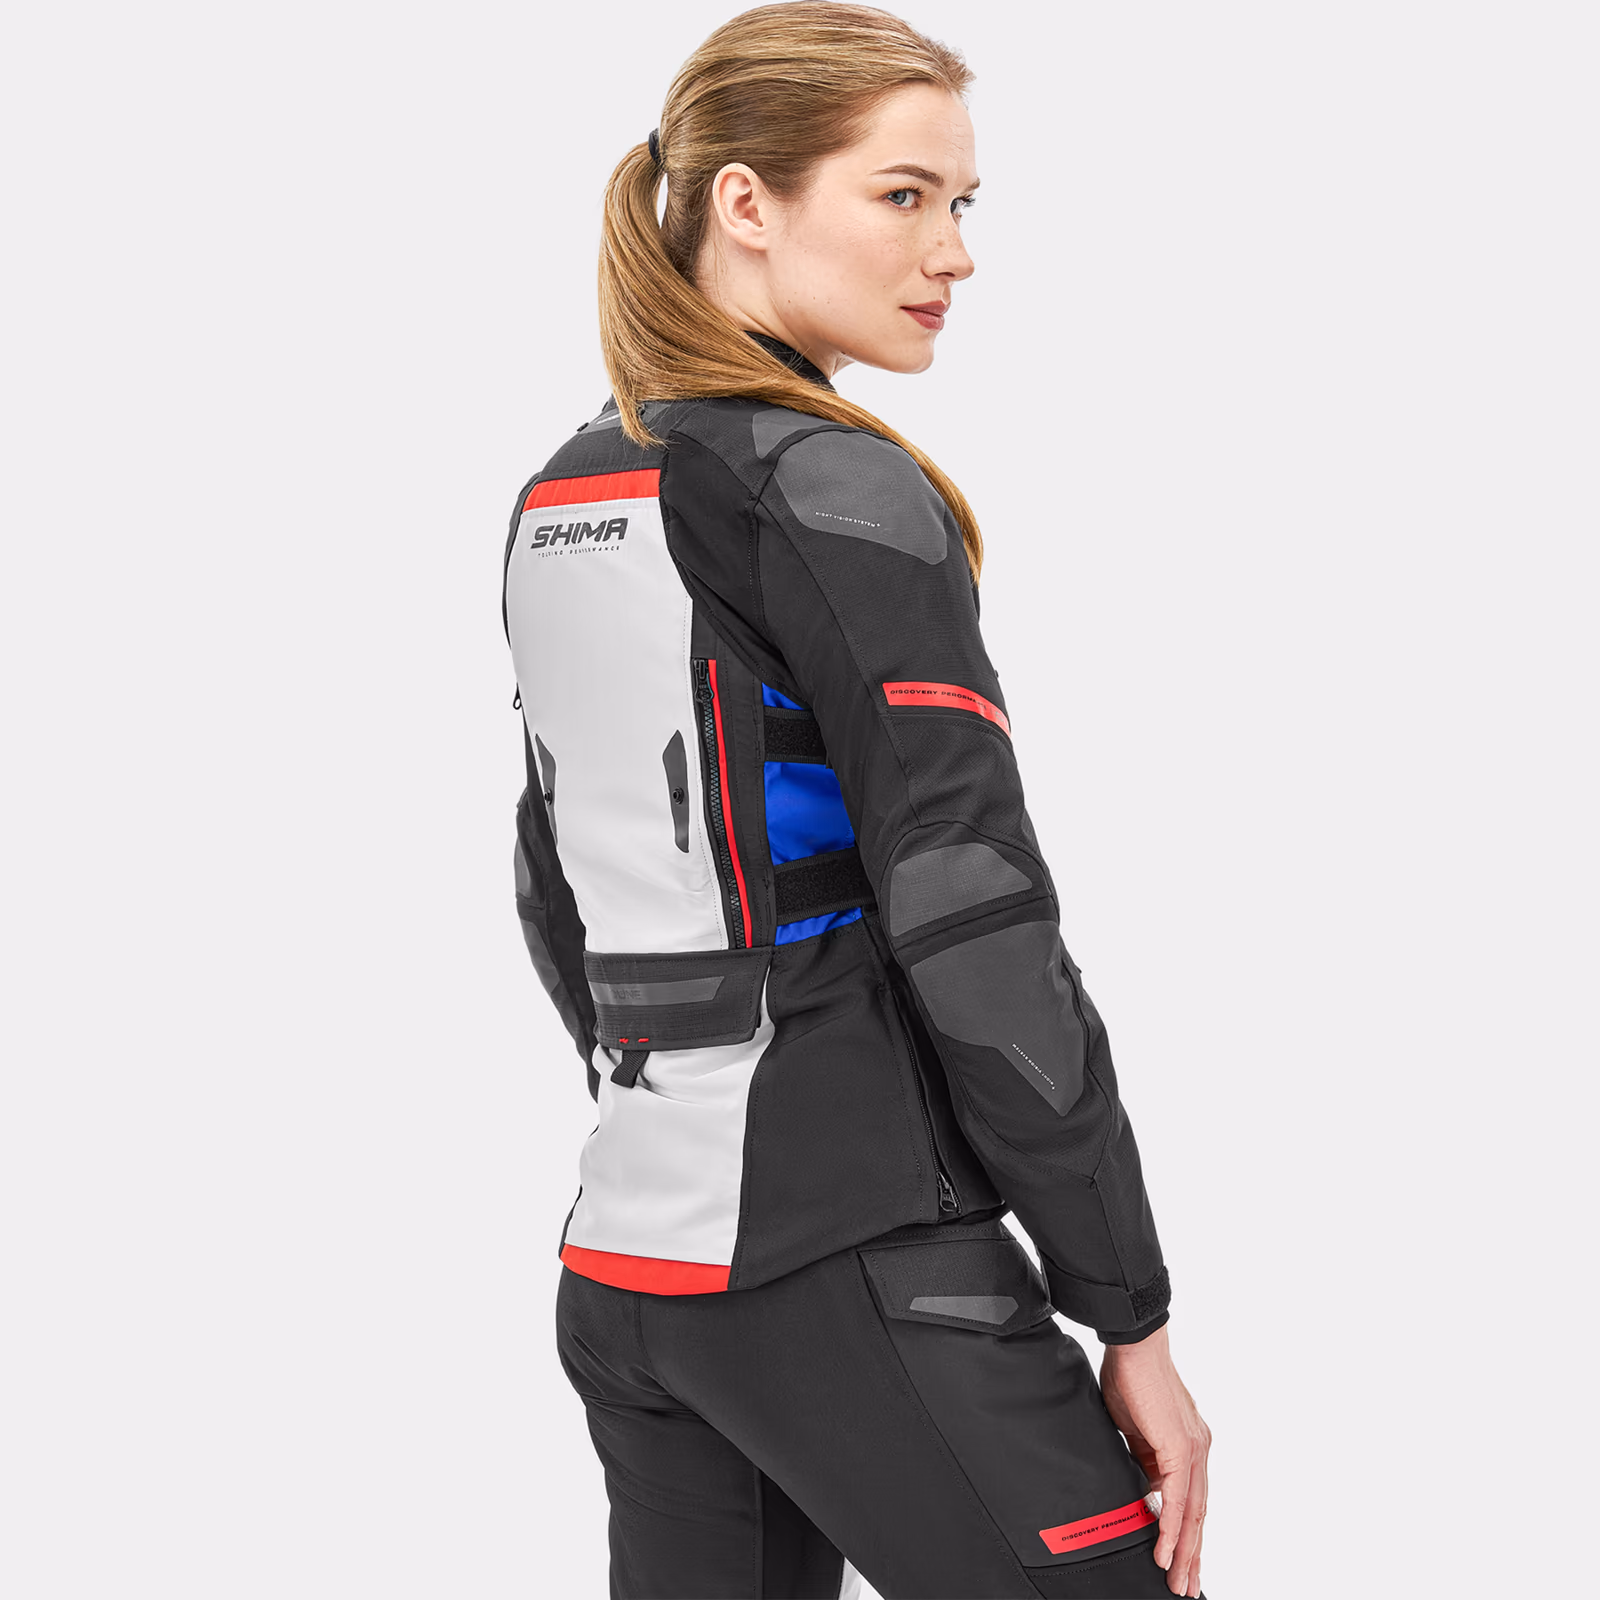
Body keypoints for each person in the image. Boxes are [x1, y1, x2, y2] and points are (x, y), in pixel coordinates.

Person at [502, 6, 1211, 1596]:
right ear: (745, 202)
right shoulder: (829, 487)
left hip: (633, 1265)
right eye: (903, 195)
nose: (953, 251)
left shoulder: (569, 495)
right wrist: (1129, 1308)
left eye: (963, 202)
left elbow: (559, 888)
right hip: (859, 1261)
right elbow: (974, 920)